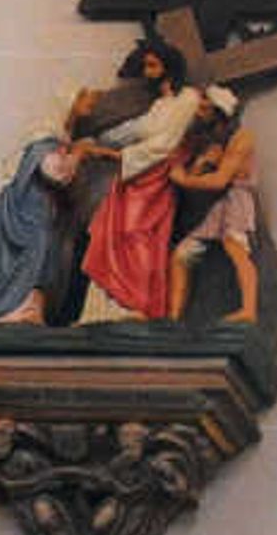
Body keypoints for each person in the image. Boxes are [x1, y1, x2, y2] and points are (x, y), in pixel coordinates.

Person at [75, 43, 203, 324]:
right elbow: (132, 131)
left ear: (170, 67)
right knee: (112, 234)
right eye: (145, 66)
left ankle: (138, 304)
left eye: (153, 66)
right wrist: (95, 140)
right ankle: (109, 309)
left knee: (141, 236)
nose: (147, 73)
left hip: (155, 180)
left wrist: (115, 155)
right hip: (132, 179)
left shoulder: (189, 99)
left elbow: (164, 144)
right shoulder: (159, 105)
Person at [0, 89, 92, 324]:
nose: (90, 105)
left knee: (45, 255)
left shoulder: (60, 138)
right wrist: (79, 155)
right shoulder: (45, 139)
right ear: (70, 103)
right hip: (27, 209)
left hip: (39, 208)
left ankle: (31, 308)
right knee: (35, 253)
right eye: (84, 99)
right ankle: (17, 307)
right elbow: (55, 173)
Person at [169, 89, 262, 324]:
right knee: (181, 254)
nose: (199, 114)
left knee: (236, 248)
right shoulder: (213, 141)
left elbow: (220, 180)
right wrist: (201, 164)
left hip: (237, 199)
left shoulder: (242, 138)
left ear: (220, 113)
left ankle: (249, 310)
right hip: (222, 202)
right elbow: (201, 173)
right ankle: (173, 318)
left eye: (205, 109)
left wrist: (184, 179)